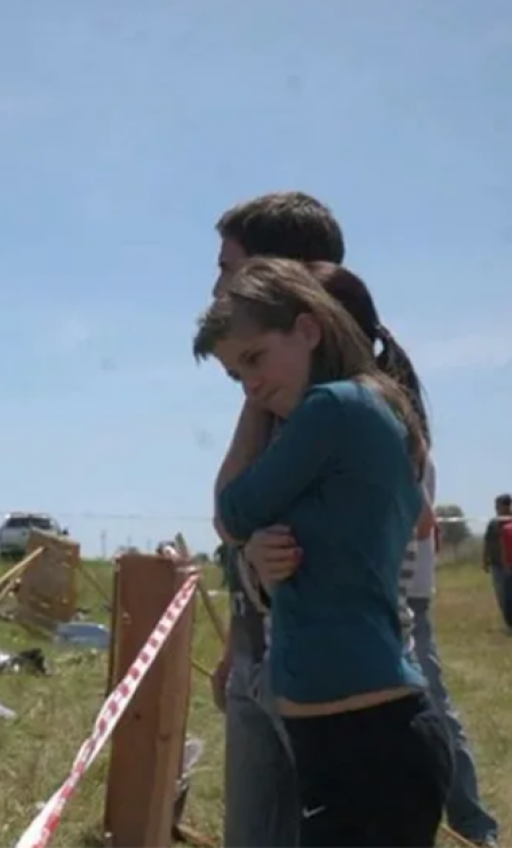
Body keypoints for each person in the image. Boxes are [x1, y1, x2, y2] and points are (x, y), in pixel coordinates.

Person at [200, 257, 452, 848]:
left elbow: (231, 510)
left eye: (255, 358)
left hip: (366, 740)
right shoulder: (362, 411)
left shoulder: (331, 409)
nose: (251, 385)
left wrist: (253, 412)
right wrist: (257, 553)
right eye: (236, 376)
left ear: (309, 330)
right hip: (353, 738)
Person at [260, 262, 498, 846]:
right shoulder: (353, 419)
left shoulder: (361, 421)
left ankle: (475, 825)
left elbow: (237, 508)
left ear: (318, 333)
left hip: (383, 640)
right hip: (357, 656)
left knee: (429, 719)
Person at [209, 190, 345, 848]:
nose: (218, 289)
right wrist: (237, 645)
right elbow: (236, 520)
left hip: (330, 672)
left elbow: (234, 512)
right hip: (261, 653)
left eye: (229, 269)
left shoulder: (351, 391)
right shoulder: (272, 390)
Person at [483, 494, 512, 632]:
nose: (496, 508)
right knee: (501, 595)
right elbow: (487, 542)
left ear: (506, 506)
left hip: (510, 564)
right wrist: (485, 560)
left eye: (498, 505)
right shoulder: (493, 523)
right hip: (497, 564)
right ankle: (508, 623)